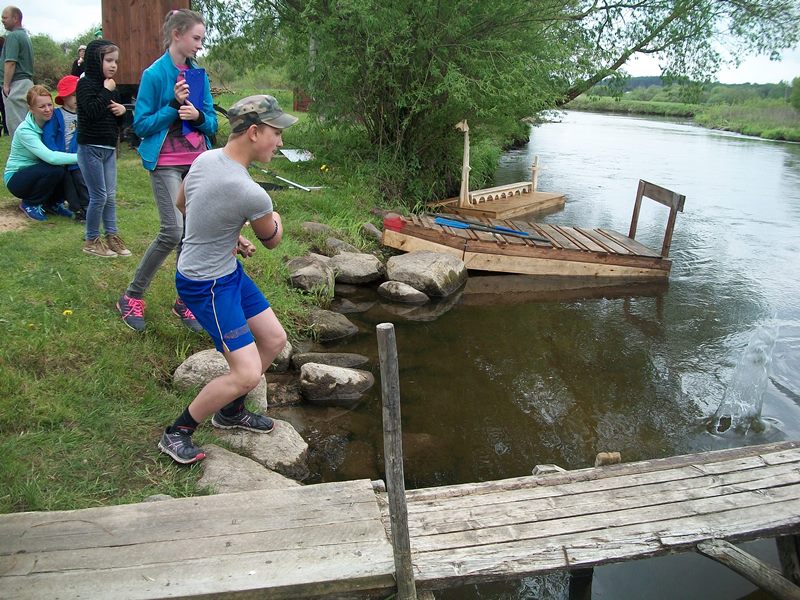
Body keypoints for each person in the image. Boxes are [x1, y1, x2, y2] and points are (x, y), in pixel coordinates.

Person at [157, 94, 297, 465]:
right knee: (247, 372)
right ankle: (177, 432)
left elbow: (184, 204)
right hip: (206, 284)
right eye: (276, 133)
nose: (280, 141)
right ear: (254, 132)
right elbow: (272, 239)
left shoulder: (206, 159)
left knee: (274, 339)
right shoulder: (251, 192)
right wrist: (276, 215)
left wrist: (228, 235)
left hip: (227, 272)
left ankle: (231, 411)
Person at [117, 9, 217, 332]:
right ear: (177, 34)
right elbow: (141, 125)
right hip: (166, 163)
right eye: (196, 38)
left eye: (201, 39)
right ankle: (131, 296)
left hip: (196, 162)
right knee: (173, 231)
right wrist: (173, 107)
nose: (199, 45)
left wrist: (198, 117)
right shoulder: (154, 74)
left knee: (191, 234)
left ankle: (185, 301)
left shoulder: (198, 75)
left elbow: (213, 123)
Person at [76, 39, 129, 258]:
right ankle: (91, 240)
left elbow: (115, 122)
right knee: (99, 196)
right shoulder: (85, 84)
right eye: (108, 60)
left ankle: (111, 236)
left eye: (116, 61)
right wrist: (107, 92)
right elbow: (92, 111)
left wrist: (122, 112)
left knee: (110, 196)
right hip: (90, 148)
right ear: (95, 61)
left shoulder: (112, 87)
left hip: (108, 149)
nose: (113, 65)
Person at [3, 84, 77, 221]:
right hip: (17, 178)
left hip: (39, 170)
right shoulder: (25, 131)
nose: (48, 109)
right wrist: (81, 157)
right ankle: (30, 203)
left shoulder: (53, 122)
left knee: (67, 169)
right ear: (31, 109)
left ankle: (53, 203)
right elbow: (51, 158)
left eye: (49, 105)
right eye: (42, 106)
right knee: (55, 169)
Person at [42, 75, 89, 222]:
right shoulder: (57, 115)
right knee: (68, 183)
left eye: (79, 94)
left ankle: (88, 208)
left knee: (81, 181)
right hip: (61, 159)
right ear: (64, 97)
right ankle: (77, 209)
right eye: (73, 95)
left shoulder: (84, 114)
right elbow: (49, 136)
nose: (77, 98)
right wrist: (57, 155)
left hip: (78, 158)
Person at [0, 6, 33, 137]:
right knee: (26, 124)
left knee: (18, 127)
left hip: (16, 84)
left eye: (5, 17)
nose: (2, 20)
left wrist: (6, 86)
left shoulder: (13, 36)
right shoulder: (24, 35)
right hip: (25, 83)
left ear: (15, 18)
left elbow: (10, 62)